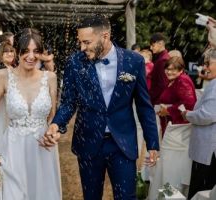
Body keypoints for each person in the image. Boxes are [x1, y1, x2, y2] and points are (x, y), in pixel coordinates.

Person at [45, 14, 159, 200]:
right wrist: (57, 124)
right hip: (88, 140)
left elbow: (144, 105)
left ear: (105, 36)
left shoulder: (134, 61)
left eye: (87, 42)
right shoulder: (75, 62)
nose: (82, 47)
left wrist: (153, 141)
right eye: (80, 42)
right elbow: (69, 102)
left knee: (126, 197)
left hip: (122, 143)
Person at [0, 28, 61, 200]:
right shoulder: (3, 76)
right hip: (12, 149)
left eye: (36, 51)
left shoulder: (50, 78)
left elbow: (53, 117)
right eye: (26, 51)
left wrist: (54, 134)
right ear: (17, 51)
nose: (31, 56)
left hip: (42, 151)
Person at [182, 49, 216, 199]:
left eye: (209, 63)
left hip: (208, 147)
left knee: (201, 189)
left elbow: (208, 115)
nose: (206, 67)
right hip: (210, 145)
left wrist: (187, 114)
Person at [157, 56, 197, 136]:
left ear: (181, 70)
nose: (169, 72)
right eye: (167, 69)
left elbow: (189, 103)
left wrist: (168, 110)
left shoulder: (182, 80)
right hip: (171, 124)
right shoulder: (173, 80)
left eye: (173, 70)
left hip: (179, 127)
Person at [149, 32, 170, 105]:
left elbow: (162, 84)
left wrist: (150, 97)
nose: (151, 48)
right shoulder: (163, 58)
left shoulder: (163, 60)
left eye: (153, 45)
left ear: (160, 43)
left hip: (158, 101)